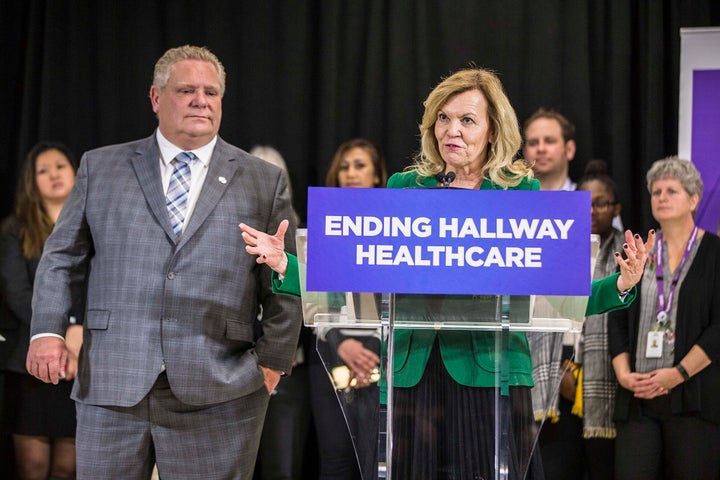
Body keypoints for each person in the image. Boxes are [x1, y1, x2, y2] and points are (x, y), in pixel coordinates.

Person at [242, 68, 654, 480]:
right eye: (443, 117)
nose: (451, 129)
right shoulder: (404, 187)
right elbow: (354, 270)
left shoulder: (520, 194)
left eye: (467, 120)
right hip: (411, 374)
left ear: (493, 131)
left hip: (491, 374)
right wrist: (285, 265)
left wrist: (622, 284)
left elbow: (566, 294)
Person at [24, 45, 302, 480]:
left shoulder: (263, 180)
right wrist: (46, 331)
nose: (200, 101)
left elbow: (287, 276)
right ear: (156, 98)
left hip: (222, 390)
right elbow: (61, 258)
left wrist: (273, 360)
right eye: (186, 89)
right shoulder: (101, 167)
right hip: (112, 383)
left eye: (211, 92)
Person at [608, 157, 720, 479]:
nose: (661, 197)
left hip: (693, 399)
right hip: (637, 398)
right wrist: (624, 374)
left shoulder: (714, 253)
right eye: (656, 191)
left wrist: (679, 373)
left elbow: (718, 328)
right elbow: (615, 316)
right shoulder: (638, 253)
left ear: (694, 199)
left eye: (672, 190)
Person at [0, 142, 84, 480]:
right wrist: (58, 332)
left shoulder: (93, 225)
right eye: (43, 170)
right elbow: (16, 292)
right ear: (31, 182)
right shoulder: (14, 229)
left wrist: (80, 332)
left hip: (81, 359)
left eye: (60, 166)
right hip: (28, 361)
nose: (53, 175)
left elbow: (100, 284)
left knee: (67, 467)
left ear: (75, 172)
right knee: (32, 467)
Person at [313, 138, 387, 480]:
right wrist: (341, 342)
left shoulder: (394, 223)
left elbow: (397, 294)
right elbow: (317, 298)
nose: (351, 173)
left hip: (381, 357)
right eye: (344, 167)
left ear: (376, 176)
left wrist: (371, 349)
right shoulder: (324, 222)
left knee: (374, 460)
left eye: (359, 165)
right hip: (329, 352)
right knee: (336, 460)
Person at [248, 144, 315, 480]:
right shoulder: (227, 230)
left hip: (290, 366)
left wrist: (278, 352)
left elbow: (311, 303)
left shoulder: (302, 236)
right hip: (234, 365)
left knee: (282, 466)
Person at [570, 159, 626, 479]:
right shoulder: (560, 247)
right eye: (583, 204)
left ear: (616, 208)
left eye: (600, 204)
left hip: (608, 380)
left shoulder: (628, 252)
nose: (590, 211)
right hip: (559, 381)